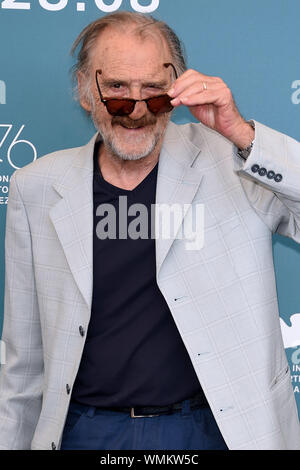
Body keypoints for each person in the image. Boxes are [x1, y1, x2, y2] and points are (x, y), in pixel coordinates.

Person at [0, 11, 300, 451]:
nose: (137, 110)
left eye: (155, 92)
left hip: (212, 430)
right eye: (117, 90)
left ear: (177, 89)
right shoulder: (37, 187)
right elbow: (23, 363)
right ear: (86, 91)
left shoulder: (234, 164)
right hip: (85, 431)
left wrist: (242, 134)